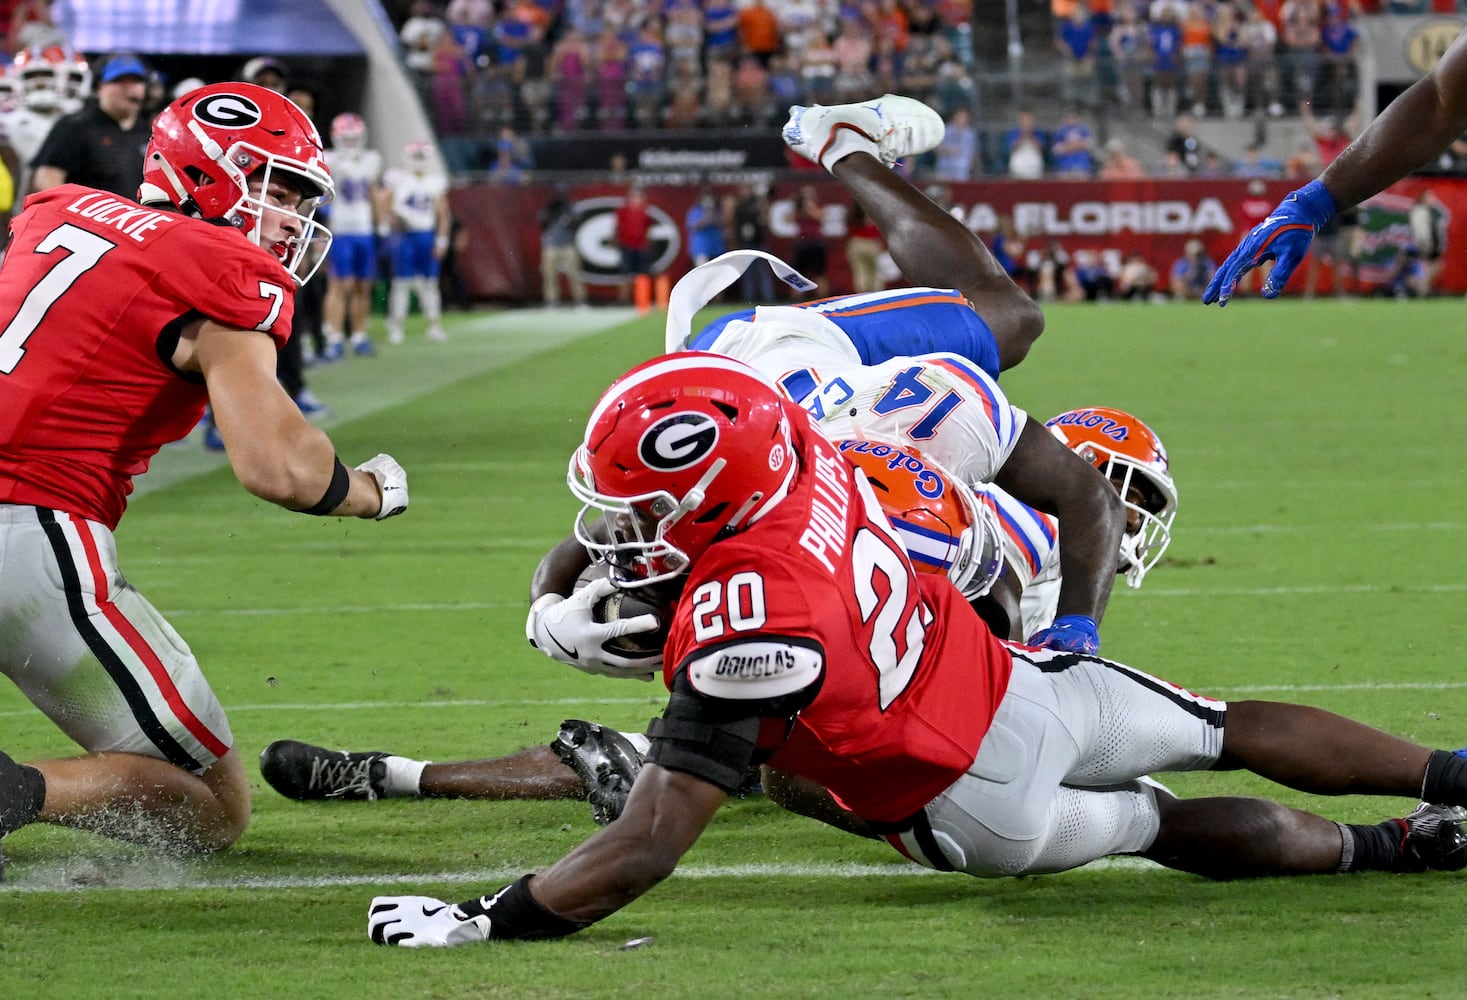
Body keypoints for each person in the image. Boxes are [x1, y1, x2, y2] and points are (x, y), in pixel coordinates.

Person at [366, 350, 1467, 949]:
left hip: (969, 798)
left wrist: (489, 916)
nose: (621, 535)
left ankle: (1389, 853)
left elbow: (648, 845)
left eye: (641, 513)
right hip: (1025, 684)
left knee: (1164, 822)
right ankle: (1447, 777)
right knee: (1223, 727)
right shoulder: (806, 455)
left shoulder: (743, 620)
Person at [0, 82, 410, 875]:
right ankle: (16, 793)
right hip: (28, 533)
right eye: (278, 186)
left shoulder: (55, 211)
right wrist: (370, 490)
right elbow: (278, 468)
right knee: (210, 808)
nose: (290, 214)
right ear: (207, 172)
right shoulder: (221, 268)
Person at [1204, 24, 1467, 306]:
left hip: (1346, 214)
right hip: (1337, 211)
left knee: (1346, 255)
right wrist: (1313, 202)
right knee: (1332, 258)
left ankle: (1344, 291)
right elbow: (1440, 106)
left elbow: (1438, 108)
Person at [29, 52, 149, 197]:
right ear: (99, 87)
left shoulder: (149, 133)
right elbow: (47, 180)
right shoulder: (74, 126)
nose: (129, 88)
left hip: (136, 218)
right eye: (119, 81)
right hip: (85, 217)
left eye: (136, 81)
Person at [320, 112, 386, 359]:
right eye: (346, 138)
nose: (350, 143)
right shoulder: (330, 159)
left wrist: (382, 222)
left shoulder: (370, 160)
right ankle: (334, 336)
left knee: (362, 285)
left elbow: (373, 192)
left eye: (354, 138)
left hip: (364, 230)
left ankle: (359, 335)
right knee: (339, 285)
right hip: (340, 230)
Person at [383, 140, 451, 344]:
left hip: (426, 235)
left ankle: (434, 324)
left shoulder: (435, 181)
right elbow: (386, 206)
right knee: (401, 283)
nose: (419, 161)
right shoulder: (398, 180)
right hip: (405, 237)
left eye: (422, 157)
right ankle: (396, 325)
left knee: (430, 283)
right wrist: (392, 223)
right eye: (416, 156)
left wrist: (442, 239)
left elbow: (443, 213)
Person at [539, 183, 586, 308]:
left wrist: (568, 216)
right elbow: (542, 222)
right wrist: (550, 214)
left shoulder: (571, 207)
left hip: (567, 245)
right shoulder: (550, 207)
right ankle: (551, 301)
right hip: (551, 245)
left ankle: (580, 300)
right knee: (550, 275)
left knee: (575, 274)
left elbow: (577, 220)